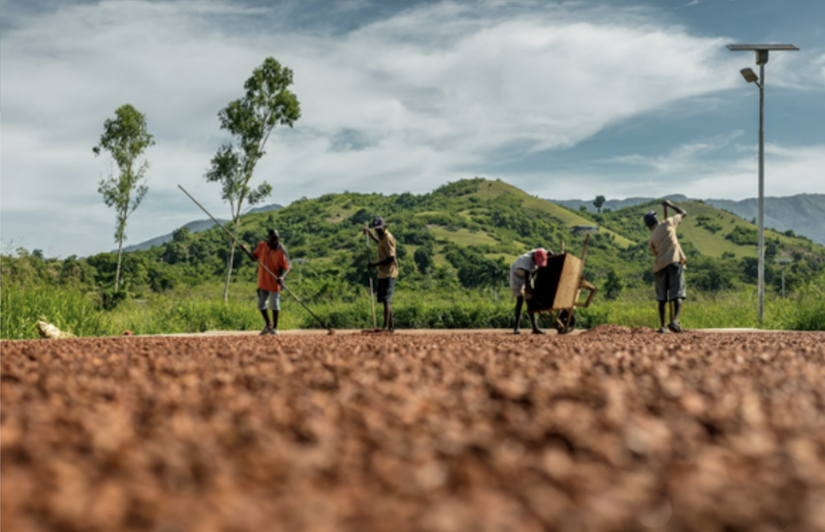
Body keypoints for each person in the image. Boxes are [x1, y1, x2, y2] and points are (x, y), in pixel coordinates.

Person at [645, 200, 688, 333]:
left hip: (659, 266)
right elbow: (683, 213)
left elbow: (655, 254)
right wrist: (670, 205)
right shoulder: (669, 222)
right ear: (657, 219)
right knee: (677, 294)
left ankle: (663, 326)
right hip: (674, 262)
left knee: (662, 298)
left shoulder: (651, 239)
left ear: (648, 225)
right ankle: (674, 321)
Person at [241, 229, 290, 335]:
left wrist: (282, 277)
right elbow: (254, 258)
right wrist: (246, 251)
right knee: (261, 305)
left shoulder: (281, 250)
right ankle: (268, 324)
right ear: (268, 238)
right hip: (263, 281)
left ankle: (275, 328)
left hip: (275, 282)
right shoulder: (262, 245)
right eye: (272, 240)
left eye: (276, 240)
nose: (275, 242)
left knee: (274, 305)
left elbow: (288, 267)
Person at [364, 216, 398, 332]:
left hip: (389, 273)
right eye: (376, 229)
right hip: (382, 273)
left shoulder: (388, 238)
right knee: (385, 300)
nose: (377, 231)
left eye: (379, 229)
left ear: (384, 226)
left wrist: (374, 265)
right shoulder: (382, 237)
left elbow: (391, 258)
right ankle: (391, 327)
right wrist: (370, 235)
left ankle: (385, 328)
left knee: (387, 300)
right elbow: (379, 244)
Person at [510, 248, 548, 334]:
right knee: (520, 300)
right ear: (534, 258)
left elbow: (548, 252)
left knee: (530, 302)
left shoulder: (541, 252)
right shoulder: (526, 263)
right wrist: (532, 294)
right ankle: (516, 328)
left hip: (528, 274)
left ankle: (535, 328)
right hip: (517, 275)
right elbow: (527, 282)